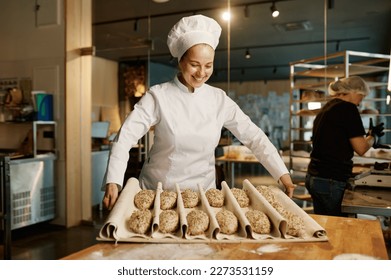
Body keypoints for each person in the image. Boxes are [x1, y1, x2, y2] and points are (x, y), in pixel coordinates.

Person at [102, 14, 296, 210]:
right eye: (194, 65)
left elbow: (253, 136)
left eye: (208, 65)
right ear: (180, 61)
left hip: (203, 198)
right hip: (158, 196)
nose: (201, 73)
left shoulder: (219, 99)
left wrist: (282, 174)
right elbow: (125, 137)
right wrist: (113, 180)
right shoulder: (158, 96)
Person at [305, 76, 386, 216]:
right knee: (338, 227)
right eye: (362, 96)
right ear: (353, 92)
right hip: (331, 179)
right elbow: (361, 148)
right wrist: (373, 136)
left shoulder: (327, 108)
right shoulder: (348, 109)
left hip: (314, 176)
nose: (361, 100)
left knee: (325, 225)